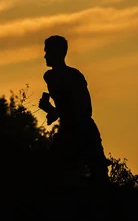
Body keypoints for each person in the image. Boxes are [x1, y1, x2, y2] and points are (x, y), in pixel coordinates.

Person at [38, 35, 110, 187]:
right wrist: (52, 110)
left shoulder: (74, 76)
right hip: (68, 130)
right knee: (55, 172)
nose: (45, 55)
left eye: (48, 52)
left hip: (83, 129)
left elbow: (83, 108)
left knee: (98, 174)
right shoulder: (49, 77)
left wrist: (55, 111)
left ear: (57, 53)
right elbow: (65, 107)